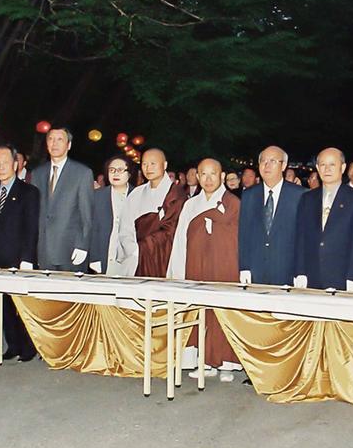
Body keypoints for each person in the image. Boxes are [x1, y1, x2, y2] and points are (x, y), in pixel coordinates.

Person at [168, 158, 243, 380]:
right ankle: (203, 361)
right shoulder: (191, 205)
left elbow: (238, 238)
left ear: (222, 176)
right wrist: (177, 269)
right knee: (199, 310)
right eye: (204, 174)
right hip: (197, 265)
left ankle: (226, 364)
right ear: (198, 177)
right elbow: (181, 238)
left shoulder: (233, 203)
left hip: (224, 267)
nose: (208, 179)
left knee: (222, 312)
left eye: (213, 174)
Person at [0, 145, 40, 361]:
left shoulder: (29, 192)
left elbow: (31, 228)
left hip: (18, 258)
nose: (1, 167)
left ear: (15, 164)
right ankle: (12, 345)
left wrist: (27, 259)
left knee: (20, 306)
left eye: (5, 162)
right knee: (1, 305)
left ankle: (28, 347)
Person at [294, 147, 353, 291]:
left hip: (342, 277)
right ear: (317, 168)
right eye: (323, 165)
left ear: (342, 167)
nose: (327, 169)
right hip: (311, 275)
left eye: (332, 165)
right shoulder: (307, 198)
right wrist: (300, 272)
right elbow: (300, 237)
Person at [29, 126, 94, 271]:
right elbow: (34, 213)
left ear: (68, 145)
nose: (54, 143)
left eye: (60, 139)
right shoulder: (37, 174)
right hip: (43, 250)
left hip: (70, 249)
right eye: (51, 139)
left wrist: (83, 245)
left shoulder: (82, 173)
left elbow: (86, 215)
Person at [238, 145, 305, 285]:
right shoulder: (249, 195)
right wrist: (244, 267)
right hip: (255, 271)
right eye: (263, 161)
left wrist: (301, 272)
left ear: (283, 166)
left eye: (273, 161)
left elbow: (304, 237)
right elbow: (244, 233)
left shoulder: (300, 195)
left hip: (288, 271)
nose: (266, 165)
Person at [117, 147, 188, 277]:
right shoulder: (136, 193)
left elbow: (171, 230)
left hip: (166, 257)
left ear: (165, 165)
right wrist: (133, 249)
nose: (148, 168)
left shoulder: (176, 194)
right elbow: (125, 226)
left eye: (153, 163)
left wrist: (143, 247)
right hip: (135, 256)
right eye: (144, 164)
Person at [89, 156, 138, 276]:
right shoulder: (97, 197)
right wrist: (94, 258)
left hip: (132, 257)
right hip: (106, 255)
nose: (115, 173)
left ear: (129, 174)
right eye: (112, 170)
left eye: (120, 170)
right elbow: (92, 229)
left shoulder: (138, 195)